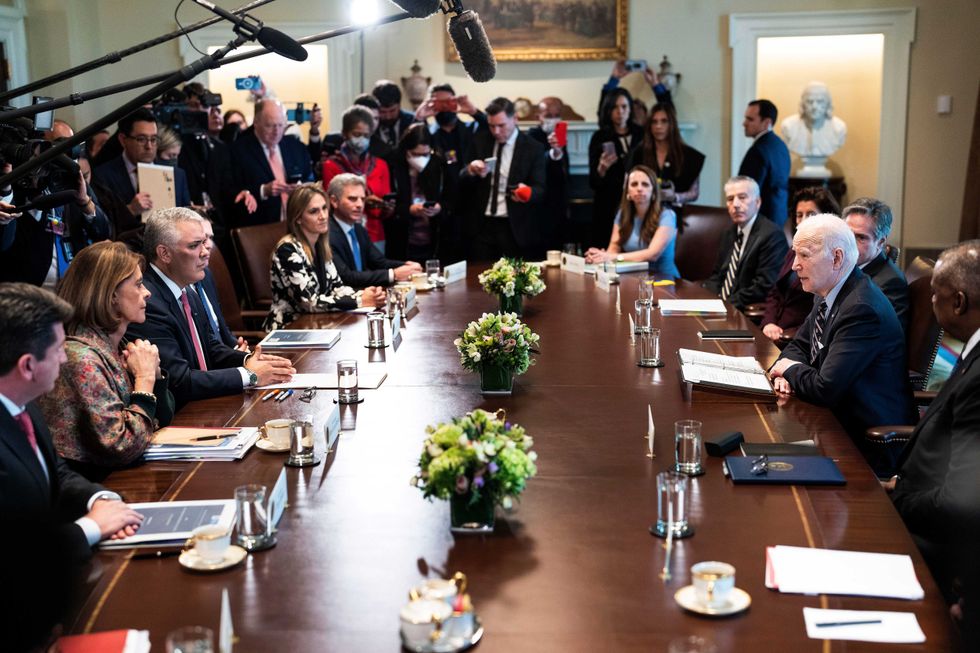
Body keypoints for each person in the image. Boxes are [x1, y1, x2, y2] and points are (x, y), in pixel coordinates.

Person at [0, 282, 145, 561]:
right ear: (28, 366)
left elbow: (57, 471)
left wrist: (99, 500)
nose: (65, 357)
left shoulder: (24, 403)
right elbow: (16, 552)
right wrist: (90, 527)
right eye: (57, 349)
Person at [885, 241, 980, 647]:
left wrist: (895, 497)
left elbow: (959, 504)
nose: (932, 302)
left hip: (937, 540)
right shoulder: (971, 352)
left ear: (958, 302)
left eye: (935, 295)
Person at [769, 215, 914, 472]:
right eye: (795, 255)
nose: (794, 266)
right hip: (833, 421)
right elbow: (799, 346)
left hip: (865, 440)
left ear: (836, 258)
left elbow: (826, 388)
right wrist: (785, 367)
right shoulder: (829, 289)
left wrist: (787, 369)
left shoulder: (861, 308)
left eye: (804, 255)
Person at [126, 208, 295, 409]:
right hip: (182, 416)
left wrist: (248, 360)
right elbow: (179, 381)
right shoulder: (148, 302)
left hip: (208, 404)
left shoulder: (187, 289)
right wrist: (250, 375)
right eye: (195, 245)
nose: (206, 252)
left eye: (205, 242)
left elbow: (211, 349)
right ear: (164, 253)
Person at [38, 242, 174, 480]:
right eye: (139, 284)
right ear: (111, 296)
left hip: (123, 478)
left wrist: (155, 374)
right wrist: (144, 380)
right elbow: (121, 446)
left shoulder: (116, 345)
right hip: (93, 490)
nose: (147, 292)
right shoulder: (80, 358)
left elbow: (161, 420)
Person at [265, 184, 384, 331]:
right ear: (298, 218)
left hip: (319, 325)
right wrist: (359, 300)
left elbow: (337, 288)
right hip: (289, 329)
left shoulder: (320, 245)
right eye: (314, 211)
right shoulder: (288, 250)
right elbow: (309, 302)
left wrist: (367, 295)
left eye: (324, 208)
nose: (323, 216)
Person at [460, 96, 547, 261]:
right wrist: (471, 170)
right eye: (492, 126)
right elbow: (461, 176)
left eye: (501, 125)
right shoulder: (480, 140)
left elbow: (540, 189)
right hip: (481, 225)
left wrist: (526, 192)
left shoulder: (533, 148)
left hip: (514, 227)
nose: (496, 131)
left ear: (515, 119)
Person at [761, 187, 841, 344]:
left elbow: (821, 312)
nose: (804, 220)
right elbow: (775, 293)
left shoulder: (829, 260)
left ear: (827, 217)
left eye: (811, 214)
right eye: (799, 215)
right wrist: (769, 323)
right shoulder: (794, 251)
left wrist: (790, 335)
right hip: (773, 332)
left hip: (797, 339)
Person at [704, 177, 788, 311]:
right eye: (730, 199)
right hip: (721, 307)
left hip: (743, 310)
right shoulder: (729, 233)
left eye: (742, 197)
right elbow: (717, 276)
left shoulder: (772, 235)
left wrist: (724, 305)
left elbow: (764, 286)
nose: (735, 204)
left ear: (758, 202)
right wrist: (707, 299)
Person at [93, 108, 192, 218]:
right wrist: (130, 210)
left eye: (153, 139)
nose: (149, 146)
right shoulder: (103, 176)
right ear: (123, 140)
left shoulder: (177, 175)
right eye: (141, 139)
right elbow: (102, 225)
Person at [327, 173, 422, 288]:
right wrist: (393, 274)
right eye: (352, 199)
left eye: (362, 199)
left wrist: (407, 266)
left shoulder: (359, 229)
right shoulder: (327, 234)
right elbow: (346, 276)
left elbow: (379, 262)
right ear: (334, 201)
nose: (360, 205)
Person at [230, 99, 314, 227]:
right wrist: (263, 190)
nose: (276, 131)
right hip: (260, 227)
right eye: (270, 125)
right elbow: (231, 191)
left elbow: (311, 179)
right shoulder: (237, 151)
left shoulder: (296, 147)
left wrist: (301, 188)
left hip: (298, 223)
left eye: (281, 125)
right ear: (256, 122)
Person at [584, 165, 679, 278]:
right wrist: (599, 257)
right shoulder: (623, 214)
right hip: (634, 278)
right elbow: (614, 247)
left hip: (665, 280)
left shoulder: (667, 215)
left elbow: (652, 254)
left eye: (645, 184)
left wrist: (611, 257)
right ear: (627, 192)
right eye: (634, 184)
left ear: (654, 192)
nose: (639, 188)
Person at [322, 106, 394, 254]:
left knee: (379, 274)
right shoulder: (332, 165)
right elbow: (329, 205)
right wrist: (363, 201)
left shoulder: (380, 165)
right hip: (343, 235)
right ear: (344, 134)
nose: (361, 139)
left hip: (375, 235)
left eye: (366, 135)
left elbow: (385, 209)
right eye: (356, 134)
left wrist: (387, 207)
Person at [842, 197, 909, 332]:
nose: (850, 243)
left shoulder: (891, 283)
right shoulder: (843, 266)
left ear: (880, 242)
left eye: (860, 237)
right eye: (847, 234)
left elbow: (882, 338)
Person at [588, 88, 643, 249]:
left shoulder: (641, 133)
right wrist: (602, 168)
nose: (620, 112)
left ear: (630, 108)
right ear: (608, 110)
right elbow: (593, 181)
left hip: (636, 201)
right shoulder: (600, 137)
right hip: (608, 203)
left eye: (624, 106)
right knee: (606, 248)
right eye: (615, 107)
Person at [389, 123, 450, 262]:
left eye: (426, 154)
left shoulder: (439, 167)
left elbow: (451, 200)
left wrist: (439, 208)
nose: (421, 159)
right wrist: (408, 210)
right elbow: (389, 206)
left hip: (434, 239)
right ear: (406, 150)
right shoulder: (395, 168)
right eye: (416, 154)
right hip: (402, 240)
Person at [625, 103, 705, 206]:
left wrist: (674, 196)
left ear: (671, 124)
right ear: (649, 126)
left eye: (664, 121)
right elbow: (626, 188)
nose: (659, 126)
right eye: (654, 122)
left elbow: (694, 193)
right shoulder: (637, 153)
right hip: (643, 211)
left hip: (675, 211)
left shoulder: (690, 156)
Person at [738, 99, 791, 226]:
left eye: (750, 119)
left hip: (761, 222)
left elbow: (747, 192)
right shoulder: (780, 145)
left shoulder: (758, 150)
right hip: (779, 218)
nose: (744, 123)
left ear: (767, 122)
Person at [526, 96, 570, 251]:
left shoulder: (561, 135)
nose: (553, 119)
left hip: (559, 202)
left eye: (556, 115)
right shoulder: (531, 136)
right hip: (540, 206)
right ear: (539, 117)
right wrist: (554, 153)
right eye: (548, 116)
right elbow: (535, 164)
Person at [780, 82, 847, 158]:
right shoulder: (788, 126)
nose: (814, 107)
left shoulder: (839, 128)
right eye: (809, 102)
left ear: (828, 104)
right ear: (802, 104)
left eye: (820, 101)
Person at [372, 80, 417, 150]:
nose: (388, 117)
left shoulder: (413, 120)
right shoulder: (370, 124)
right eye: (382, 112)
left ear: (399, 105)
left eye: (392, 111)